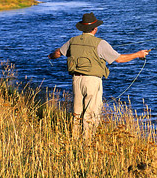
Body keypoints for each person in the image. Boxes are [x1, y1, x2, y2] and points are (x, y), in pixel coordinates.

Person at [48, 12, 149, 140]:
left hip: (76, 80)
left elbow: (58, 53)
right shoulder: (100, 43)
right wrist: (138, 54)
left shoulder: (72, 41)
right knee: (91, 113)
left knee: (77, 113)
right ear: (95, 28)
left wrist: (50, 56)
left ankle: (74, 140)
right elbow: (119, 59)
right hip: (92, 81)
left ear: (82, 28)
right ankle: (87, 143)